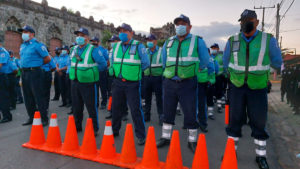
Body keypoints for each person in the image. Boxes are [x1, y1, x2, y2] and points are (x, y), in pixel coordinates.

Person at [223, 9, 282, 169]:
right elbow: (225, 62)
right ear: (240, 23)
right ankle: (230, 152)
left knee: (259, 122)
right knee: (234, 120)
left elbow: (277, 62)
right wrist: (229, 76)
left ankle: (261, 157)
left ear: (256, 22)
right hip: (237, 87)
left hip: (258, 88)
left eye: (249, 20)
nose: (245, 23)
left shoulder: (267, 40)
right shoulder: (233, 40)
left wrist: (269, 76)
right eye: (243, 20)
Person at [156, 14, 209, 152]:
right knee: (168, 111)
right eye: (178, 24)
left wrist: (195, 70)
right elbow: (164, 60)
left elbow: (205, 60)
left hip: (188, 83)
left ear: (189, 27)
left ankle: (192, 140)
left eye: (183, 24)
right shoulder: (168, 41)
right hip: (169, 82)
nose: (180, 26)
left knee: (190, 112)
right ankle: (165, 137)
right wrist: (168, 74)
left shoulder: (197, 41)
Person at [110, 23, 150, 145]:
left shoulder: (138, 46)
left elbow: (145, 63)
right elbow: (112, 61)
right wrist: (114, 71)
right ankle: (115, 130)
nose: (122, 33)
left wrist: (133, 73)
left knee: (135, 109)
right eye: (120, 31)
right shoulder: (116, 47)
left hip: (132, 84)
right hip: (118, 82)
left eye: (125, 31)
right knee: (115, 108)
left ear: (131, 33)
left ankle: (141, 135)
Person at [69, 28, 107, 136]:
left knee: (91, 106)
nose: (79, 37)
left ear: (87, 38)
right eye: (78, 35)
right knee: (76, 106)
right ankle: (77, 126)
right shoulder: (74, 49)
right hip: (75, 81)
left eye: (82, 35)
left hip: (88, 83)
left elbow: (103, 64)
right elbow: (71, 62)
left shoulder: (93, 49)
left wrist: (92, 73)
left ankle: (94, 128)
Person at [18, 25, 51, 126]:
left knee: (38, 96)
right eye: (22, 32)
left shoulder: (38, 45)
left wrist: (36, 65)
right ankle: (31, 117)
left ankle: (44, 118)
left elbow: (47, 58)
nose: (23, 34)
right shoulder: (23, 45)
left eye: (25, 32)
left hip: (35, 73)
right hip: (24, 73)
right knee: (27, 96)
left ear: (32, 34)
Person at [143, 34, 163, 125]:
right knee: (147, 98)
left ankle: (161, 116)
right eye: (148, 40)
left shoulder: (161, 51)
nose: (149, 42)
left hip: (158, 78)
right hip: (147, 78)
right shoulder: (145, 51)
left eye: (151, 40)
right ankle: (147, 116)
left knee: (159, 98)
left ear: (155, 41)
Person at [197, 48, 218, 131]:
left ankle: (203, 124)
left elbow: (213, 72)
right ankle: (189, 123)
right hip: (191, 83)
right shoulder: (195, 58)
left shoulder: (209, 60)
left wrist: (210, 81)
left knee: (202, 104)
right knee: (191, 105)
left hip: (203, 84)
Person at [90, 37, 109, 110]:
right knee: (95, 89)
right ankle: (96, 103)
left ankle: (104, 103)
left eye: (94, 41)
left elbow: (107, 60)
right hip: (94, 72)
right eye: (92, 41)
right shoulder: (91, 49)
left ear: (98, 42)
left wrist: (105, 68)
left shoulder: (103, 50)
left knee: (103, 88)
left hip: (102, 71)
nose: (93, 43)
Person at [0, 44, 17, 123]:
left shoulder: (3, 52)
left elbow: (0, 65)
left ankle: (7, 116)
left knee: (3, 98)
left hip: (2, 77)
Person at [210, 43, 226, 113]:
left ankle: (219, 106)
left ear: (218, 49)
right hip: (211, 77)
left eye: (214, 48)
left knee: (220, 92)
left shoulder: (222, 56)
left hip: (220, 76)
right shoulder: (210, 56)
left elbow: (225, 65)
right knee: (212, 92)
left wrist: (225, 74)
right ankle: (212, 103)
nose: (213, 49)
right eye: (212, 48)